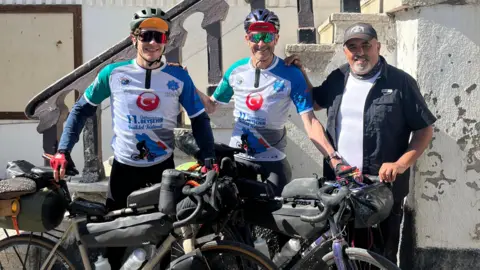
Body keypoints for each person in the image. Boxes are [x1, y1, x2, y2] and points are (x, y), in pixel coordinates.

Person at [48, 7, 216, 269]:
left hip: (162, 171)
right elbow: (81, 110)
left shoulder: (178, 76)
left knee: (161, 244)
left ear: (166, 41)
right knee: (115, 243)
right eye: (146, 35)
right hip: (124, 171)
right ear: (133, 39)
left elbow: (199, 118)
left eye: (158, 37)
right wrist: (63, 149)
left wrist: (208, 156)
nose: (152, 43)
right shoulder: (113, 74)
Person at [286, 22, 436, 264]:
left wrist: (400, 164)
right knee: (341, 254)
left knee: (379, 257)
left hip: (381, 190)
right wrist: (300, 72)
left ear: (378, 46)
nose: (360, 52)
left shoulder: (400, 83)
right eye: (352, 46)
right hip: (340, 185)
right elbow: (315, 102)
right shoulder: (338, 77)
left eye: (366, 45)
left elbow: (424, 129)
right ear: (345, 51)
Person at [195, 8, 343, 197]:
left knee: (276, 218)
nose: (261, 43)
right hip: (239, 157)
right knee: (236, 217)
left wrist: (333, 157)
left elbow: (310, 121)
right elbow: (211, 106)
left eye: (267, 36)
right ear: (247, 39)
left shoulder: (291, 74)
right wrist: (187, 82)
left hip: (273, 159)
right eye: (256, 37)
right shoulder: (236, 70)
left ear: (276, 38)